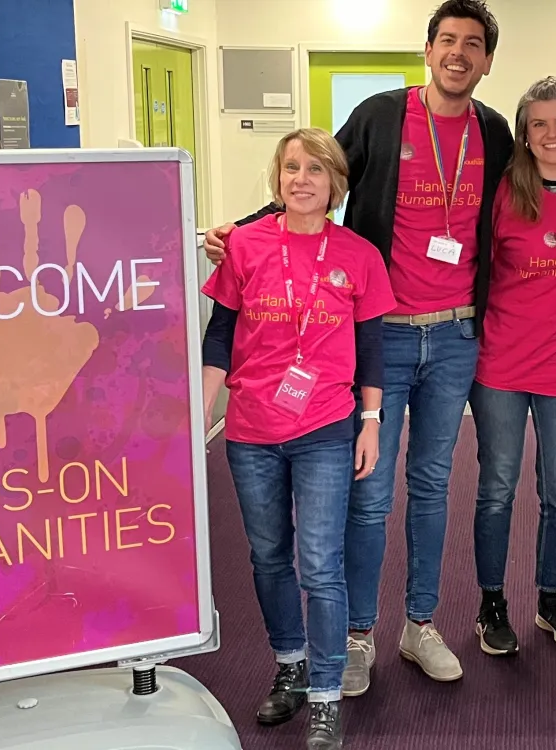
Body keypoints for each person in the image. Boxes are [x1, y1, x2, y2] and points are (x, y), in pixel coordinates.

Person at [205, 0, 513, 692]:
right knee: (368, 495)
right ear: (427, 50)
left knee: (432, 487)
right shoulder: (382, 115)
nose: (458, 53)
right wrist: (244, 229)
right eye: (447, 41)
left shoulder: (494, 132)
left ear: (487, 60)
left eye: (473, 44)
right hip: (383, 338)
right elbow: (312, 178)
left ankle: (420, 625)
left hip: (458, 333)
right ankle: (359, 635)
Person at [199, 127, 395, 750]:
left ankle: (327, 694)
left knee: (320, 564)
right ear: (276, 178)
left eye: (314, 168)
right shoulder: (245, 246)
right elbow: (219, 335)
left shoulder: (359, 254)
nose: (301, 178)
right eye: (290, 168)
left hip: (325, 429)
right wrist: (196, 418)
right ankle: (290, 663)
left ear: (336, 182)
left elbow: (372, 350)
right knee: (268, 558)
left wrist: (371, 422)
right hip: (251, 429)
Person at [470, 76, 556, 657]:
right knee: (497, 489)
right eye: (538, 124)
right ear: (524, 135)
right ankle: (491, 603)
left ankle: (551, 598)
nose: (551, 134)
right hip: (500, 364)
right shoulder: (503, 190)